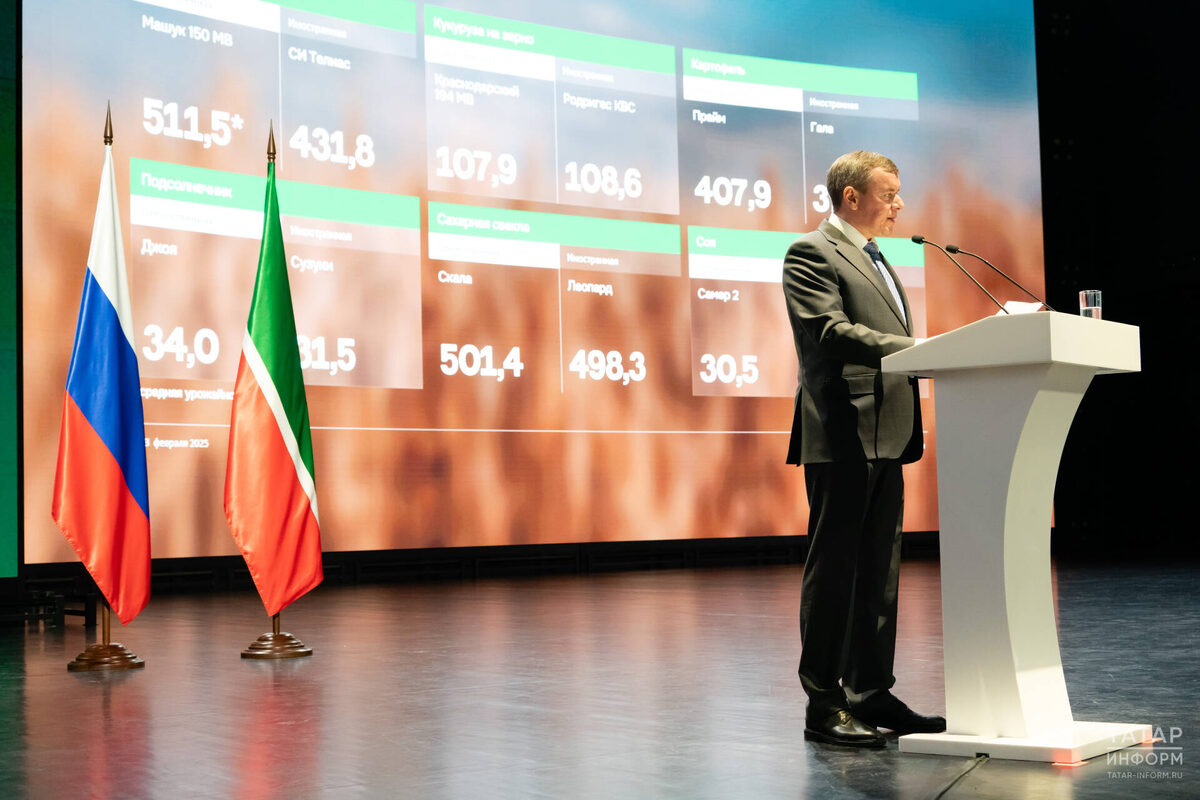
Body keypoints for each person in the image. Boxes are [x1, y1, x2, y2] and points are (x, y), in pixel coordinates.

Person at [782, 150, 945, 748]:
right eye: (890, 193)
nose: (900, 204)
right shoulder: (811, 252)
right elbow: (828, 332)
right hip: (843, 433)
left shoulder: (877, 257)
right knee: (836, 573)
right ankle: (824, 704)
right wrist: (917, 351)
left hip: (888, 432)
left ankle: (870, 691)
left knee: (879, 574)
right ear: (851, 197)